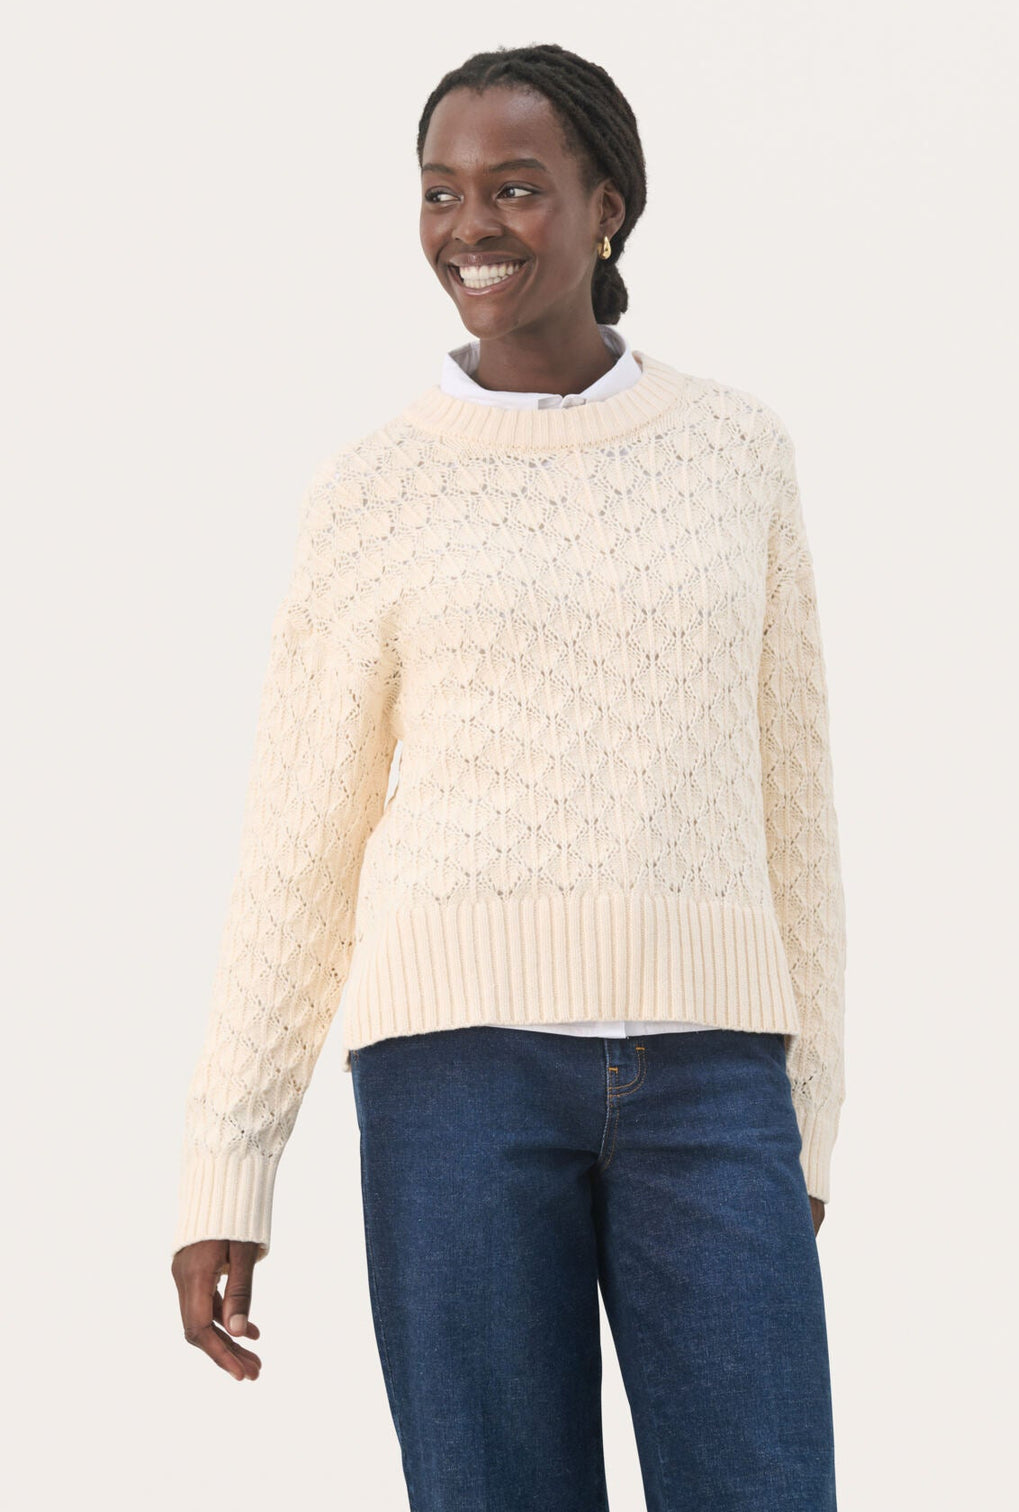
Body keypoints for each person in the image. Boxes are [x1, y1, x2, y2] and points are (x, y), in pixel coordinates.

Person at [171, 42, 847, 1511]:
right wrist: (231, 1159)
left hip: (715, 1080)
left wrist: (811, 1108)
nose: (470, 226)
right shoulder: (375, 486)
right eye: (441, 193)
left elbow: (794, 801)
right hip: (454, 1080)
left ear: (608, 208)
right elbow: (300, 839)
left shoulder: (737, 452)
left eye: (517, 188)